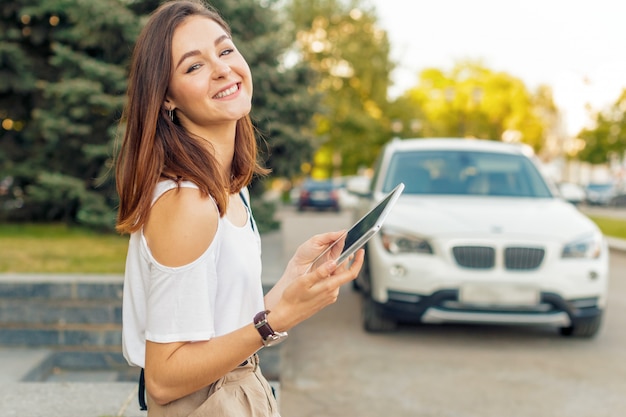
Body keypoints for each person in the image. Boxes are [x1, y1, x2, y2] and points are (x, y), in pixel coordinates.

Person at [114, 1, 364, 416]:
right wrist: (275, 320)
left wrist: (290, 283)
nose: (222, 69)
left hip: (239, 389)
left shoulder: (230, 189)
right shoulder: (187, 203)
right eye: (193, 67)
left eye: (225, 50)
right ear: (166, 99)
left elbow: (217, 322)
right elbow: (163, 379)